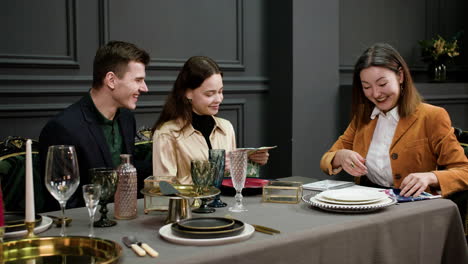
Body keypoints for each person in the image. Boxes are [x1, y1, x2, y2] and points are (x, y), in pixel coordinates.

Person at [320, 43, 468, 198]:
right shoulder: (363, 116)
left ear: (400, 76)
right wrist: (340, 156)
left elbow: (464, 171)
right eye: (366, 87)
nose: (376, 94)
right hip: (368, 205)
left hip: (415, 208)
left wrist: (431, 177)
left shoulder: (432, 116)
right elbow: (326, 160)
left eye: (382, 84)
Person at [39, 41, 150, 210]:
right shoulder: (62, 128)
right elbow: (63, 203)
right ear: (111, 80)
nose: (145, 88)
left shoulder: (127, 119)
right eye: (138, 80)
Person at [152, 56, 269, 184]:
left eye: (221, 91)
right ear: (188, 93)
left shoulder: (226, 128)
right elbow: (163, 188)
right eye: (210, 94)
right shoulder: (167, 134)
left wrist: (251, 159)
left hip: (227, 203)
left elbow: (231, 182)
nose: (219, 99)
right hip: (190, 204)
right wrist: (212, 172)